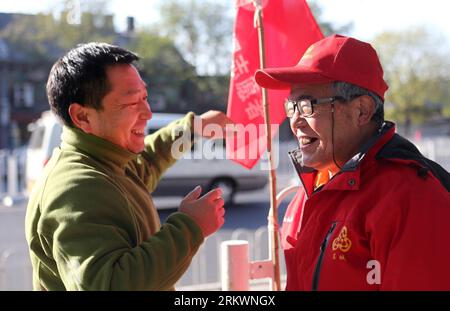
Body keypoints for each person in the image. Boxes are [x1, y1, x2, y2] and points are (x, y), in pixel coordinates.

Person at [25, 42, 231, 290]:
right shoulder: (76, 187)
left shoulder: (108, 162)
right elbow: (110, 284)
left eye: (145, 97)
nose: (148, 113)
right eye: (132, 102)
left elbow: (149, 160)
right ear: (82, 117)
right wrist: (189, 227)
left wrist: (191, 129)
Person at [255, 34, 450, 290]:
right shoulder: (309, 192)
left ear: (362, 111)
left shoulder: (411, 197)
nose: (295, 121)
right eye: (291, 107)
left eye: (307, 106)